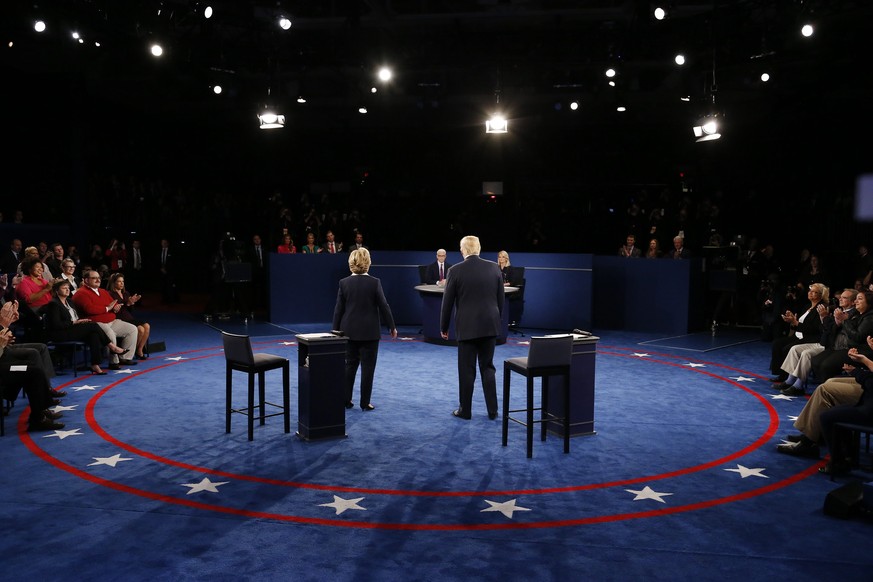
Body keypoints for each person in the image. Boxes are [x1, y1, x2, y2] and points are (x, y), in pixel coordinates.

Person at [440, 235, 503, 420]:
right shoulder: (494, 268)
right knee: (488, 367)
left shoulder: (455, 270)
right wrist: (496, 321)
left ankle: (465, 411)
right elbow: (501, 301)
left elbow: (447, 302)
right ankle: (493, 411)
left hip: (467, 328)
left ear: (463, 251)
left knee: (467, 370)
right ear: (479, 248)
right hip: (490, 326)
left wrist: (444, 327)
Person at [332, 248, 397, 411]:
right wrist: (392, 326)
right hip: (370, 332)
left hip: (348, 332)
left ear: (351, 263)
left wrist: (335, 331)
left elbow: (338, 310)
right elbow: (384, 306)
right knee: (368, 368)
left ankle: (345, 400)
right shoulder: (375, 282)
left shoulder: (344, 282)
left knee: (349, 366)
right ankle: (364, 402)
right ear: (368, 262)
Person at [775, 288, 856, 396]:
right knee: (794, 349)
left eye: (844, 298)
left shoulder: (850, 314)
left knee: (806, 353)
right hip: (824, 341)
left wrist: (827, 318)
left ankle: (798, 385)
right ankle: (790, 380)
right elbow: (825, 329)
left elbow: (828, 331)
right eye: (840, 296)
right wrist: (825, 318)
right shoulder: (836, 310)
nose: (840, 299)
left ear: (852, 302)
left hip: (829, 344)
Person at [43, 279, 126, 375]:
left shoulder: (69, 301)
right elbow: (56, 324)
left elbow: (76, 317)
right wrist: (74, 322)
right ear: (57, 291)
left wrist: (80, 321)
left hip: (72, 329)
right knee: (94, 325)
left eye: (68, 288)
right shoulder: (53, 304)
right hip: (60, 333)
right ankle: (112, 347)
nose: (67, 290)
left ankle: (95, 364)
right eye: (64, 288)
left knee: (93, 334)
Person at [818, 347, 873, 475]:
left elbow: (869, 381)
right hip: (866, 405)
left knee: (826, 417)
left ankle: (838, 463)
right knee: (836, 411)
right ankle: (848, 457)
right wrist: (855, 371)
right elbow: (869, 379)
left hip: (869, 411)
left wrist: (864, 362)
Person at [72, 269, 138, 370]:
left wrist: (115, 307)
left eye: (99, 278)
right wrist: (107, 308)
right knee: (110, 334)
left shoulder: (103, 291)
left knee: (132, 329)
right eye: (94, 278)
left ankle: (124, 358)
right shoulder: (81, 293)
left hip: (112, 321)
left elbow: (113, 303)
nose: (98, 280)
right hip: (96, 323)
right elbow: (90, 309)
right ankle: (113, 362)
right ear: (86, 280)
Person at [810, 290, 873, 382]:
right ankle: (823, 387)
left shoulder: (870, 317)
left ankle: (829, 390)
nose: (856, 301)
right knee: (815, 360)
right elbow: (830, 329)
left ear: (869, 302)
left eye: (859, 299)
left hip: (859, 350)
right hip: (846, 347)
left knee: (826, 365)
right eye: (856, 299)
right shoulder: (857, 314)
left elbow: (858, 337)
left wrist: (844, 320)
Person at [767, 283, 827, 381]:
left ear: (821, 295)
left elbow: (814, 329)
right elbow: (799, 325)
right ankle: (779, 373)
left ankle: (786, 377)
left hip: (810, 338)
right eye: (810, 291)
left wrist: (795, 322)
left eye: (814, 292)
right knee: (777, 343)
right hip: (798, 335)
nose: (810, 293)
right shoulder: (807, 306)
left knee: (787, 348)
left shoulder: (821, 308)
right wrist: (792, 321)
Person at [107, 273, 150, 360]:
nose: (122, 283)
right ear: (114, 283)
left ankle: (139, 349)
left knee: (147, 326)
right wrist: (127, 304)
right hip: (119, 319)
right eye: (119, 281)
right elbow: (114, 311)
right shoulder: (110, 294)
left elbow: (130, 310)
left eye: (123, 281)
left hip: (128, 317)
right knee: (140, 330)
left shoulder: (126, 293)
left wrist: (131, 304)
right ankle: (131, 351)